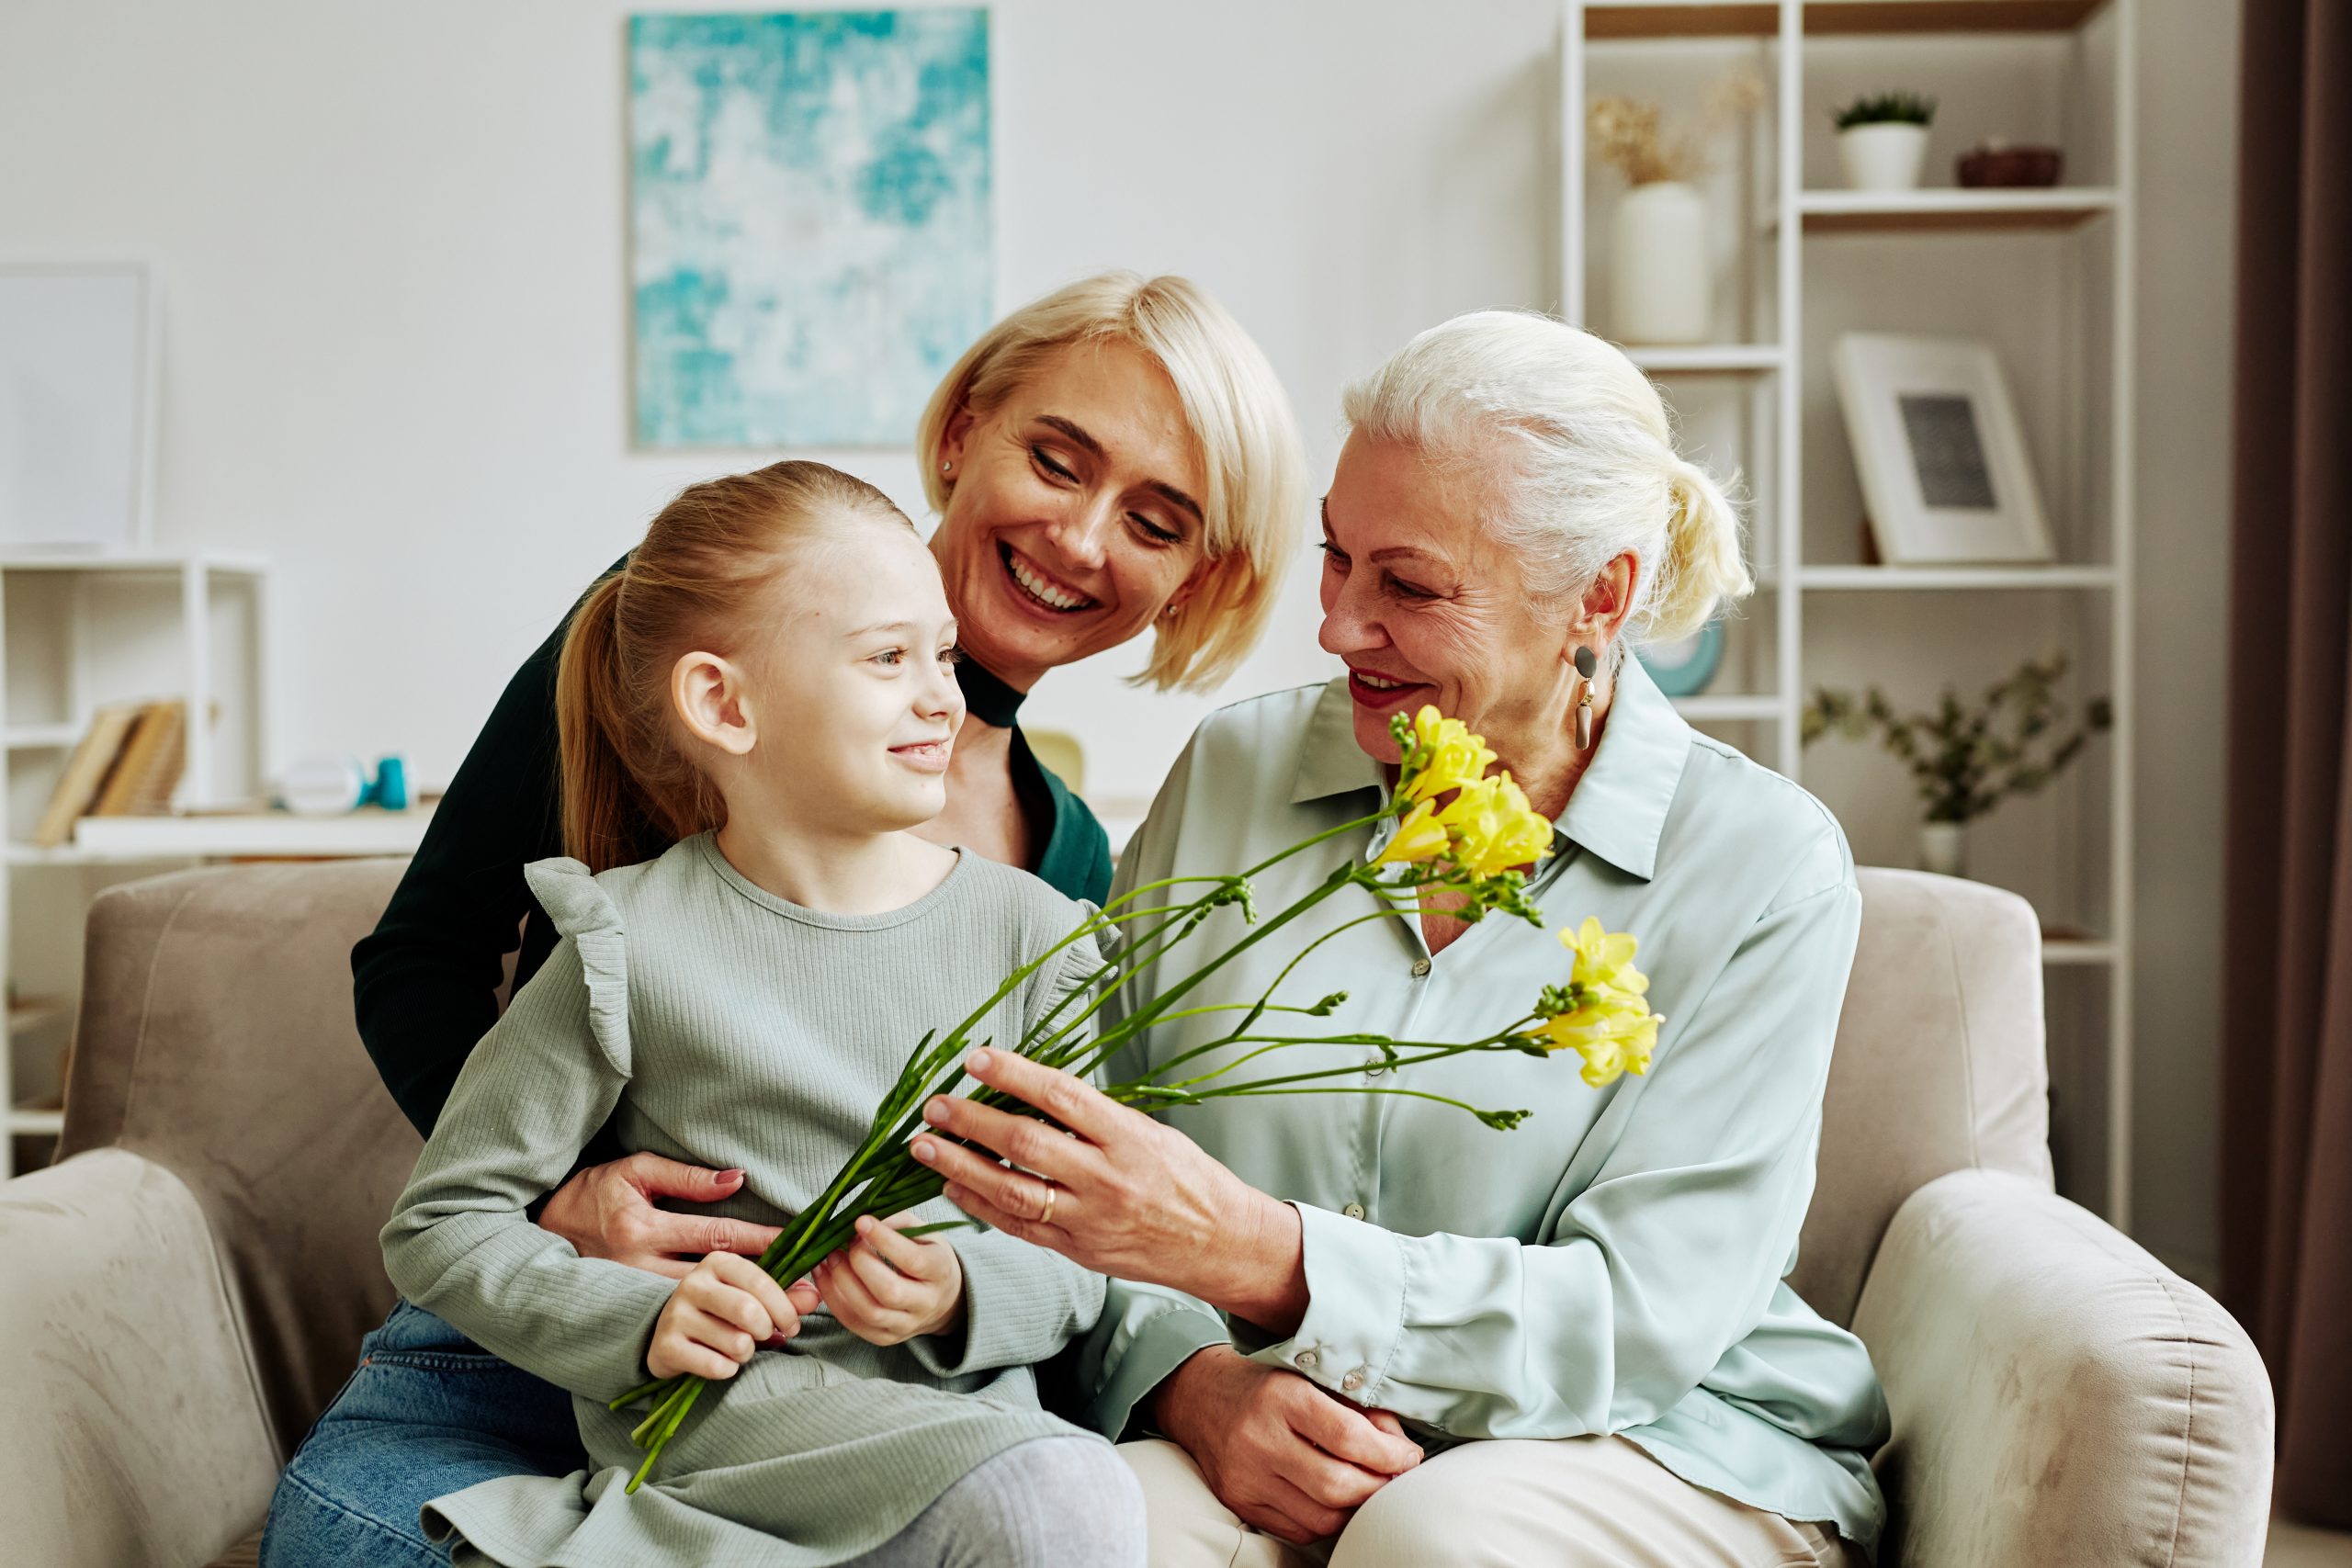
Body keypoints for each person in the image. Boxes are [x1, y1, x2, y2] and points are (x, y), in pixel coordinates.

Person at [263, 272, 1306, 1566]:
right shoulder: (702, 629)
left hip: (859, 1406)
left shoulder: (1062, 875)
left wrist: (1159, 1361)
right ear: (963, 428)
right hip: (538, 1337)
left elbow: (1061, 1227)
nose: (1083, 539)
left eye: (1155, 521)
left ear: (1190, 576)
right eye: (1056, 458)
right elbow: (420, 962)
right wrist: (558, 1209)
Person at [909, 310, 1893, 1567]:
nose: (1336, 627)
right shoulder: (1241, 770)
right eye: (1337, 556)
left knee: (1432, 1535)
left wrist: (1272, 1257)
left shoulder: (1765, 865)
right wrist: (1192, 1381)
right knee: (1083, 1529)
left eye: (1412, 587)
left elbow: (1647, 1317)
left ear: (1599, 594)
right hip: (1281, 1416)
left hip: (1666, 1440)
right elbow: (1087, 1154)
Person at [379, 458, 1138, 1565]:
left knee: (1061, 1489)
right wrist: (640, 1323)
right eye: (887, 659)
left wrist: (961, 1288)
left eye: (941, 654)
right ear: (723, 703)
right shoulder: (622, 944)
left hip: (974, 1443)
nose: (943, 695)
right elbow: (440, 1228)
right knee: (1067, 1494)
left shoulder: (1041, 938)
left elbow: (1086, 1253)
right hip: (732, 1437)